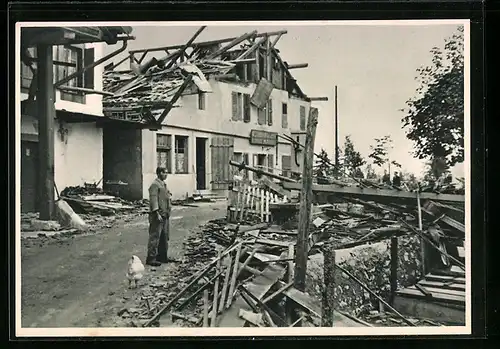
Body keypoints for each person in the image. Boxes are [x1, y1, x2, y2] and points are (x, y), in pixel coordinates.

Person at [146, 167, 172, 267]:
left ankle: (162, 256)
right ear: (159, 173)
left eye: (166, 172)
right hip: (158, 215)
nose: (166, 174)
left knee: (164, 236)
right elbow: (153, 200)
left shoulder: (163, 184)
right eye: (164, 172)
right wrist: (156, 213)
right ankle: (151, 258)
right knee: (155, 237)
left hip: (165, 214)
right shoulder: (155, 185)